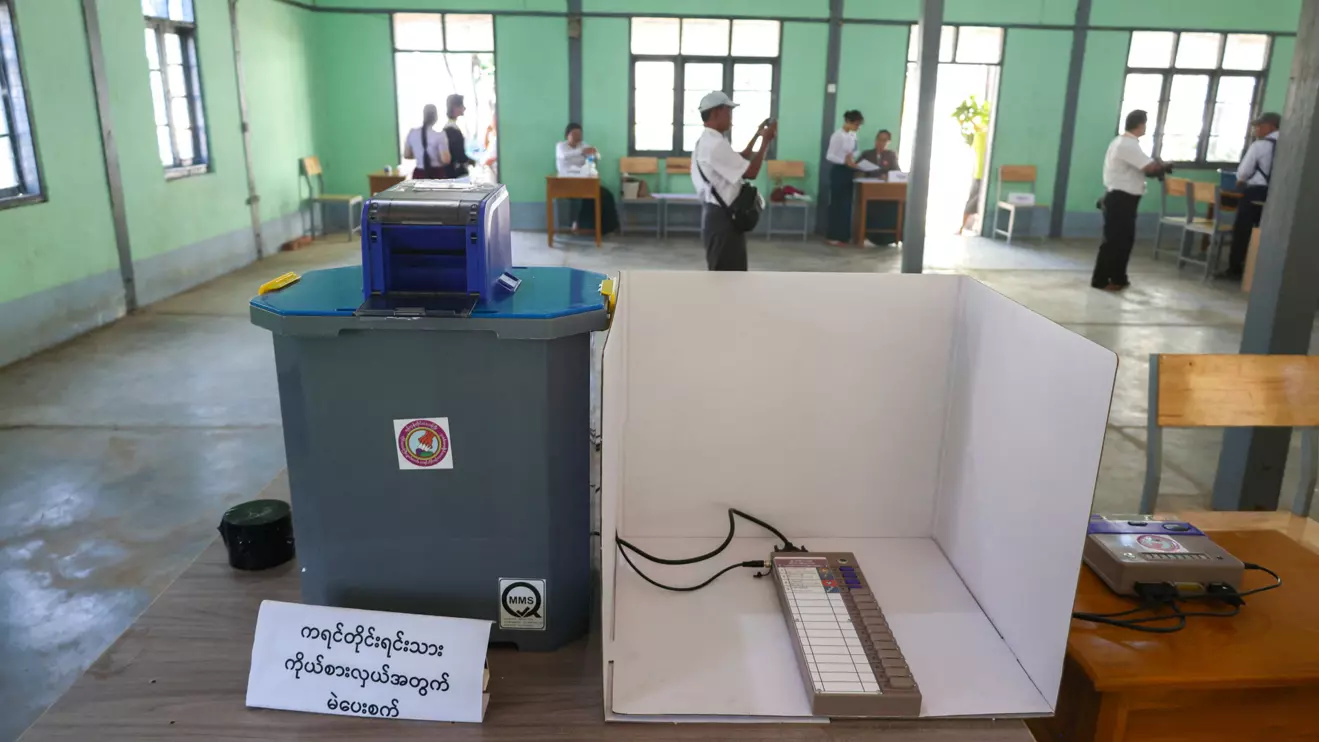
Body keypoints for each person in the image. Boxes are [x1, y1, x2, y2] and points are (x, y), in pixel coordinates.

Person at [691, 91, 776, 271]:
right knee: (727, 275)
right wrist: (766, 142)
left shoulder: (708, 140)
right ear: (715, 113)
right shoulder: (715, 145)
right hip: (723, 220)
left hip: (720, 215)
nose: (731, 118)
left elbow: (741, 158)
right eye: (728, 112)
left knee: (728, 273)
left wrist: (758, 135)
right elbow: (751, 172)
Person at [1091, 110, 1171, 291]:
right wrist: (1163, 166)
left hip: (1122, 198)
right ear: (1140, 124)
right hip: (1121, 199)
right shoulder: (1127, 145)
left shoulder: (1123, 142)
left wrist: (1158, 167)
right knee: (1114, 242)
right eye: (1145, 123)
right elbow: (1149, 168)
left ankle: (1119, 278)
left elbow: (1143, 168)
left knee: (1123, 241)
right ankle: (1101, 280)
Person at [1222, 112, 1280, 280]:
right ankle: (1259, 270)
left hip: (1255, 191)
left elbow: (1243, 172)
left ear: (1270, 126)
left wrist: (1241, 180)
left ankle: (1235, 269)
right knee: (1267, 232)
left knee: (1242, 231)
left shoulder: (1259, 146)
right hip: (1277, 193)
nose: (1256, 130)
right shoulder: (1289, 144)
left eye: (1259, 126)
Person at [555, 123, 619, 235]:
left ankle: (606, 228)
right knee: (587, 198)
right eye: (574, 134)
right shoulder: (561, 146)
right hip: (566, 183)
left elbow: (595, 156)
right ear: (567, 135)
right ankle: (580, 224)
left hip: (583, 182)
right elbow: (564, 156)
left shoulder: (583, 145)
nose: (577, 138)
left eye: (579, 134)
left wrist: (594, 155)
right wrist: (582, 151)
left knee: (606, 195)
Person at [824, 110, 865, 245]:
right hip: (839, 171)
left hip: (849, 170)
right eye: (856, 124)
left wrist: (852, 156)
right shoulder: (838, 136)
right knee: (837, 204)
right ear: (848, 122)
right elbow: (830, 156)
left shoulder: (853, 135)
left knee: (846, 205)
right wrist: (844, 161)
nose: (858, 127)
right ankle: (833, 236)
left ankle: (844, 236)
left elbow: (856, 150)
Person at [402, 104, 451, 179]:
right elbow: (445, 160)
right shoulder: (440, 135)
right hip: (437, 174)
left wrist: (419, 154)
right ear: (436, 117)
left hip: (419, 174)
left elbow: (406, 155)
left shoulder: (412, 133)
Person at [439, 94, 474, 179]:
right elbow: (458, 154)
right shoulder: (451, 130)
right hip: (456, 174)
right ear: (455, 107)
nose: (464, 108)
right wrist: (469, 160)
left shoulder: (451, 128)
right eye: (462, 105)